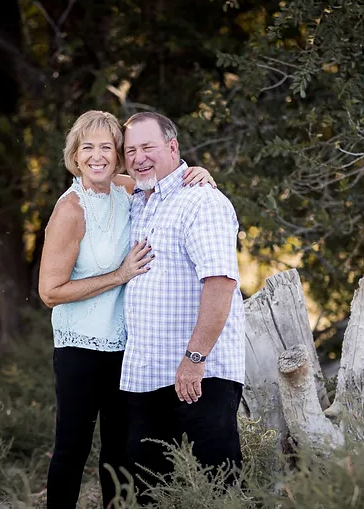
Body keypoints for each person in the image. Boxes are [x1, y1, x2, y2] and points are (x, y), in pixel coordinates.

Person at [38, 110, 215, 509]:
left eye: (107, 147)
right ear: (75, 156)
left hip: (124, 349)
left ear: (118, 154)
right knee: (72, 449)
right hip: (80, 349)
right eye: (88, 148)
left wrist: (198, 172)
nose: (97, 156)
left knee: (118, 454)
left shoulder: (126, 188)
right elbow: (49, 291)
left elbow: (168, 176)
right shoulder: (71, 209)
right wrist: (120, 275)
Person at [120, 111, 245, 503]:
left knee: (215, 488)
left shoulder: (201, 201)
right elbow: (99, 176)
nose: (138, 157)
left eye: (147, 147)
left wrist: (195, 357)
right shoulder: (140, 201)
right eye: (130, 150)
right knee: (149, 492)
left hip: (198, 375)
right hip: (145, 374)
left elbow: (220, 282)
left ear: (173, 147)